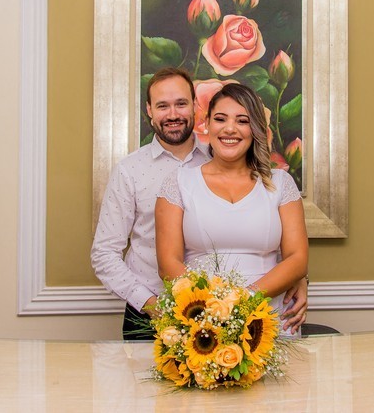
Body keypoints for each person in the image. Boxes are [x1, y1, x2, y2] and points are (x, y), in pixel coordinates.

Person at [91, 68, 307, 340]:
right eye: (162, 106)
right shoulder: (130, 170)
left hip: (254, 309)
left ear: (196, 107)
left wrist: (297, 277)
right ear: (149, 110)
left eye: (181, 103)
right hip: (156, 307)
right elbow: (104, 254)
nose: (172, 114)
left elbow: (282, 245)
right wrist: (151, 304)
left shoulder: (225, 151)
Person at [155, 83, 309, 337]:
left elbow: (297, 259)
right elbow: (168, 263)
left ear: (255, 128)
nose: (229, 128)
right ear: (207, 124)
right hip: (201, 320)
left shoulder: (281, 183)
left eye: (242, 120)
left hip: (270, 317)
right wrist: (211, 308)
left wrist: (239, 303)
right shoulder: (179, 182)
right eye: (220, 119)